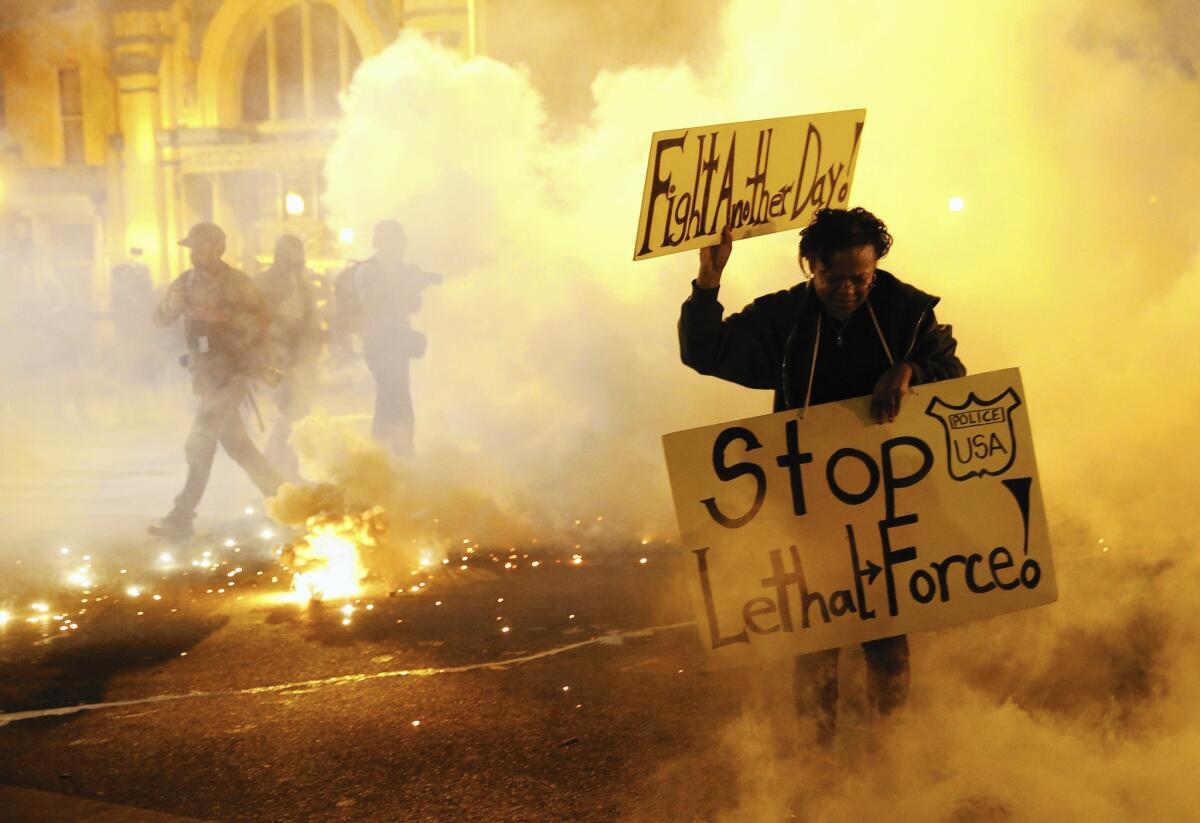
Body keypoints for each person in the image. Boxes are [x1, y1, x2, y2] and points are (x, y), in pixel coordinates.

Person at [678, 207, 965, 746]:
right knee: (816, 636)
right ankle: (816, 763)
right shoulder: (785, 318)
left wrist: (913, 370)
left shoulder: (906, 311)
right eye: (836, 279)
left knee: (885, 634)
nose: (851, 290)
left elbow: (951, 370)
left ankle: (892, 750)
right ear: (810, 266)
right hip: (810, 504)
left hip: (886, 505)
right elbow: (704, 351)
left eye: (864, 277)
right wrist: (709, 280)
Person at [148, 222, 284, 542]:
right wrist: (175, 302)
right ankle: (284, 499)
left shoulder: (238, 283)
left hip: (233, 372)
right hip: (205, 374)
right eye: (194, 247)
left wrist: (223, 317)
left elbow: (262, 319)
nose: (198, 254)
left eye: (205, 247)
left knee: (200, 442)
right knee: (239, 447)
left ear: (220, 249)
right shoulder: (185, 283)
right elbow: (159, 319)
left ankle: (181, 517)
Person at [336, 220, 442, 456]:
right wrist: (403, 283)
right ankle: (403, 463)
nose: (402, 246)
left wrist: (414, 285)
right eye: (397, 240)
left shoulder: (399, 269)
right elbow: (373, 304)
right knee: (400, 408)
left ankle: (377, 466)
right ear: (383, 242)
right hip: (381, 342)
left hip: (397, 342)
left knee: (387, 409)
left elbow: (412, 307)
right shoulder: (370, 270)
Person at [255, 235, 322, 479]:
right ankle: (271, 468)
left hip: (301, 358)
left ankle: (285, 468)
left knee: (299, 414)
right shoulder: (262, 282)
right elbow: (256, 320)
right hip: (275, 358)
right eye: (288, 254)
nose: (294, 260)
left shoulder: (303, 285)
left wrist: (315, 339)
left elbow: (310, 318)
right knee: (293, 411)